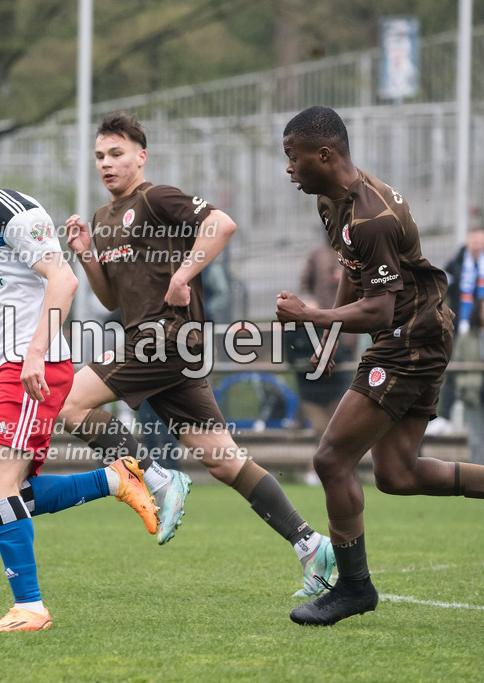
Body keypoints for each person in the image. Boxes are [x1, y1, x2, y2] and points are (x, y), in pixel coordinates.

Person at [60, 112, 336, 599]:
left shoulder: (156, 197)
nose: (106, 163)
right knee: (225, 461)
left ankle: (157, 480)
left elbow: (221, 224)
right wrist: (85, 251)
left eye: (117, 153)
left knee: (69, 403)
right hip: (162, 349)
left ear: (141, 157)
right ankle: (311, 545)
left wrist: (183, 275)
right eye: (100, 156)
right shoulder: (102, 220)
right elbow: (110, 299)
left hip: (164, 339)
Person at [0, 109, 159, 632]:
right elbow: (4, 306)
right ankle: (115, 478)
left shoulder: (13, 210)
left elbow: (62, 281)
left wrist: (33, 353)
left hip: (34, 369)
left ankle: (30, 608)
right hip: (10, 366)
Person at [277, 105, 484, 626]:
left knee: (331, 460)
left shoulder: (372, 216)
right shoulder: (332, 200)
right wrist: (331, 332)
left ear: (324, 155)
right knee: (395, 473)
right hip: (412, 334)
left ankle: (354, 588)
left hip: (409, 339)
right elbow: (355, 271)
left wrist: (313, 315)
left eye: (293, 157)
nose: (289, 168)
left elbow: (380, 309)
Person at [288, 237, 355, 485]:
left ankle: (334, 470)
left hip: (344, 333)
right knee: (323, 428)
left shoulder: (354, 253)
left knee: (337, 427)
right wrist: (309, 304)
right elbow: (304, 284)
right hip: (318, 326)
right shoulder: (317, 254)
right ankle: (318, 467)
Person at [432, 226, 484, 435]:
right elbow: (443, 286)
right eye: (474, 240)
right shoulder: (457, 264)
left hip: (480, 329)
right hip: (461, 327)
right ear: (467, 241)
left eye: (480, 240)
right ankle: (444, 416)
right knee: (453, 368)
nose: (477, 244)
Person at [453, 297, 484, 465]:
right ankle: (479, 473)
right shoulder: (466, 337)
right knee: (476, 437)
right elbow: (457, 363)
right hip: (474, 392)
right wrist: (465, 384)